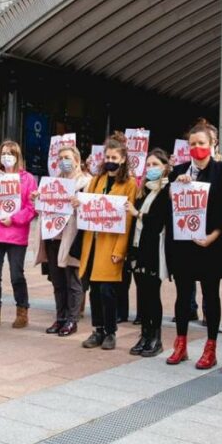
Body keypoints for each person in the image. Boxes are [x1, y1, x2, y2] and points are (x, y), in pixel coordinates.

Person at [166, 120, 222, 368]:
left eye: (201, 143)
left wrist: (213, 235)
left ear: (212, 144)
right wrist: (176, 187)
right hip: (184, 245)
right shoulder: (179, 171)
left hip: (210, 244)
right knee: (183, 296)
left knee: (210, 295)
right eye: (193, 144)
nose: (197, 148)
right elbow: (170, 207)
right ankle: (181, 344)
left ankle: (210, 348)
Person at [79, 132, 138, 351]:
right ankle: (98, 330)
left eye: (115, 158)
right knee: (94, 289)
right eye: (108, 157)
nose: (111, 161)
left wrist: (120, 250)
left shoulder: (129, 184)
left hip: (111, 244)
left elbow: (128, 220)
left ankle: (111, 331)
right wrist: (79, 203)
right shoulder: (96, 180)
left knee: (108, 290)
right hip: (92, 243)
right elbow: (88, 206)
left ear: (122, 159)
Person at [33, 145, 90, 337]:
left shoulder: (86, 182)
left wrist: (80, 203)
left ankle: (72, 320)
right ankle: (60, 318)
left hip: (71, 237)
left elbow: (92, 208)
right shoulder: (53, 183)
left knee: (73, 280)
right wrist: (38, 199)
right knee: (57, 281)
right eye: (60, 158)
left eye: (67, 157)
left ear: (77, 160)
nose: (63, 161)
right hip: (52, 237)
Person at [0, 140, 37, 329]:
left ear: (17, 157)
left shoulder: (28, 179)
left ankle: (22, 311)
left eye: (11, 153)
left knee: (17, 275)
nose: (7, 156)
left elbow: (32, 208)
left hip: (16, 234)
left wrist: (14, 219)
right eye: (4, 153)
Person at [126, 149, 172, 357]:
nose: (151, 168)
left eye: (156, 164)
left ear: (165, 167)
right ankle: (144, 334)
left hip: (154, 249)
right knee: (142, 294)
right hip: (138, 246)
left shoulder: (167, 191)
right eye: (149, 165)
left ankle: (156, 337)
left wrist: (138, 214)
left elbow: (158, 221)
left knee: (153, 294)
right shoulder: (144, 190)